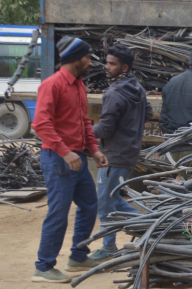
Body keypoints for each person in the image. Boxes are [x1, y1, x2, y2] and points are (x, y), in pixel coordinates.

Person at [31, 37, 108, 283]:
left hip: (77, 159)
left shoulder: (78, 85)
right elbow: (40, 123)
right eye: (87, 57)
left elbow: (84, 120)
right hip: (58, 159)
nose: (89, 62)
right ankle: (43, 267)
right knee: (58, 213)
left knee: (89, 204)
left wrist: (94, 150)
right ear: (76, 59)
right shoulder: (52, 85)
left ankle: (78, 255)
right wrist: (65, 152)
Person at [89, 45, 154, 261]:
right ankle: (150, 227)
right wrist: (130, 129)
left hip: (113, 156)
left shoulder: (114, 92)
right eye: (106, 62)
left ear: (124, 67)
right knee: (111, 198)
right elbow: (149, 113)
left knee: (105, 202)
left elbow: (105, 129)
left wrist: (84, 132)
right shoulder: (137, 87)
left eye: (112, 63)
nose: (106, 67)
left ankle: (114, 245)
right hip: (129, 153)